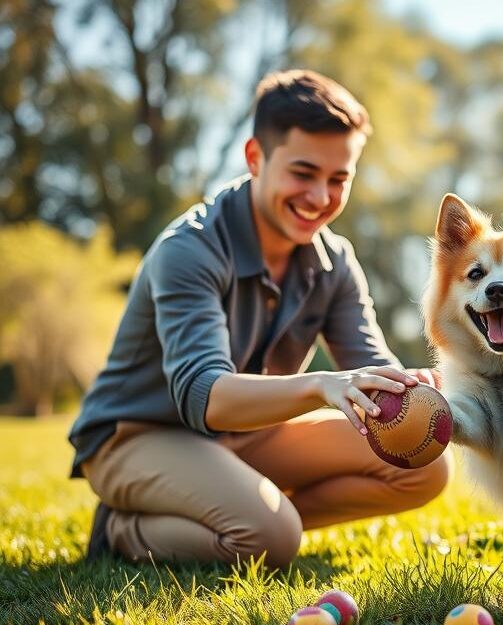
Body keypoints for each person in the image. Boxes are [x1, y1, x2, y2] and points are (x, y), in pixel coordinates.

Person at [69, 69, 449, 567]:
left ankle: (241, 511)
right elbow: (204, 395)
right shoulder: (189, 250)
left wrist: (409, 386)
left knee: (421, 462)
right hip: (137, 435)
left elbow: (369, 366)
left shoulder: (334, 262)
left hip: (246, 435)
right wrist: (319, 386)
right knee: (269, 539)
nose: (319, 197)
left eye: (338, 179)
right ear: (255, 158)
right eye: (303, 173)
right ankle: (122, 528)